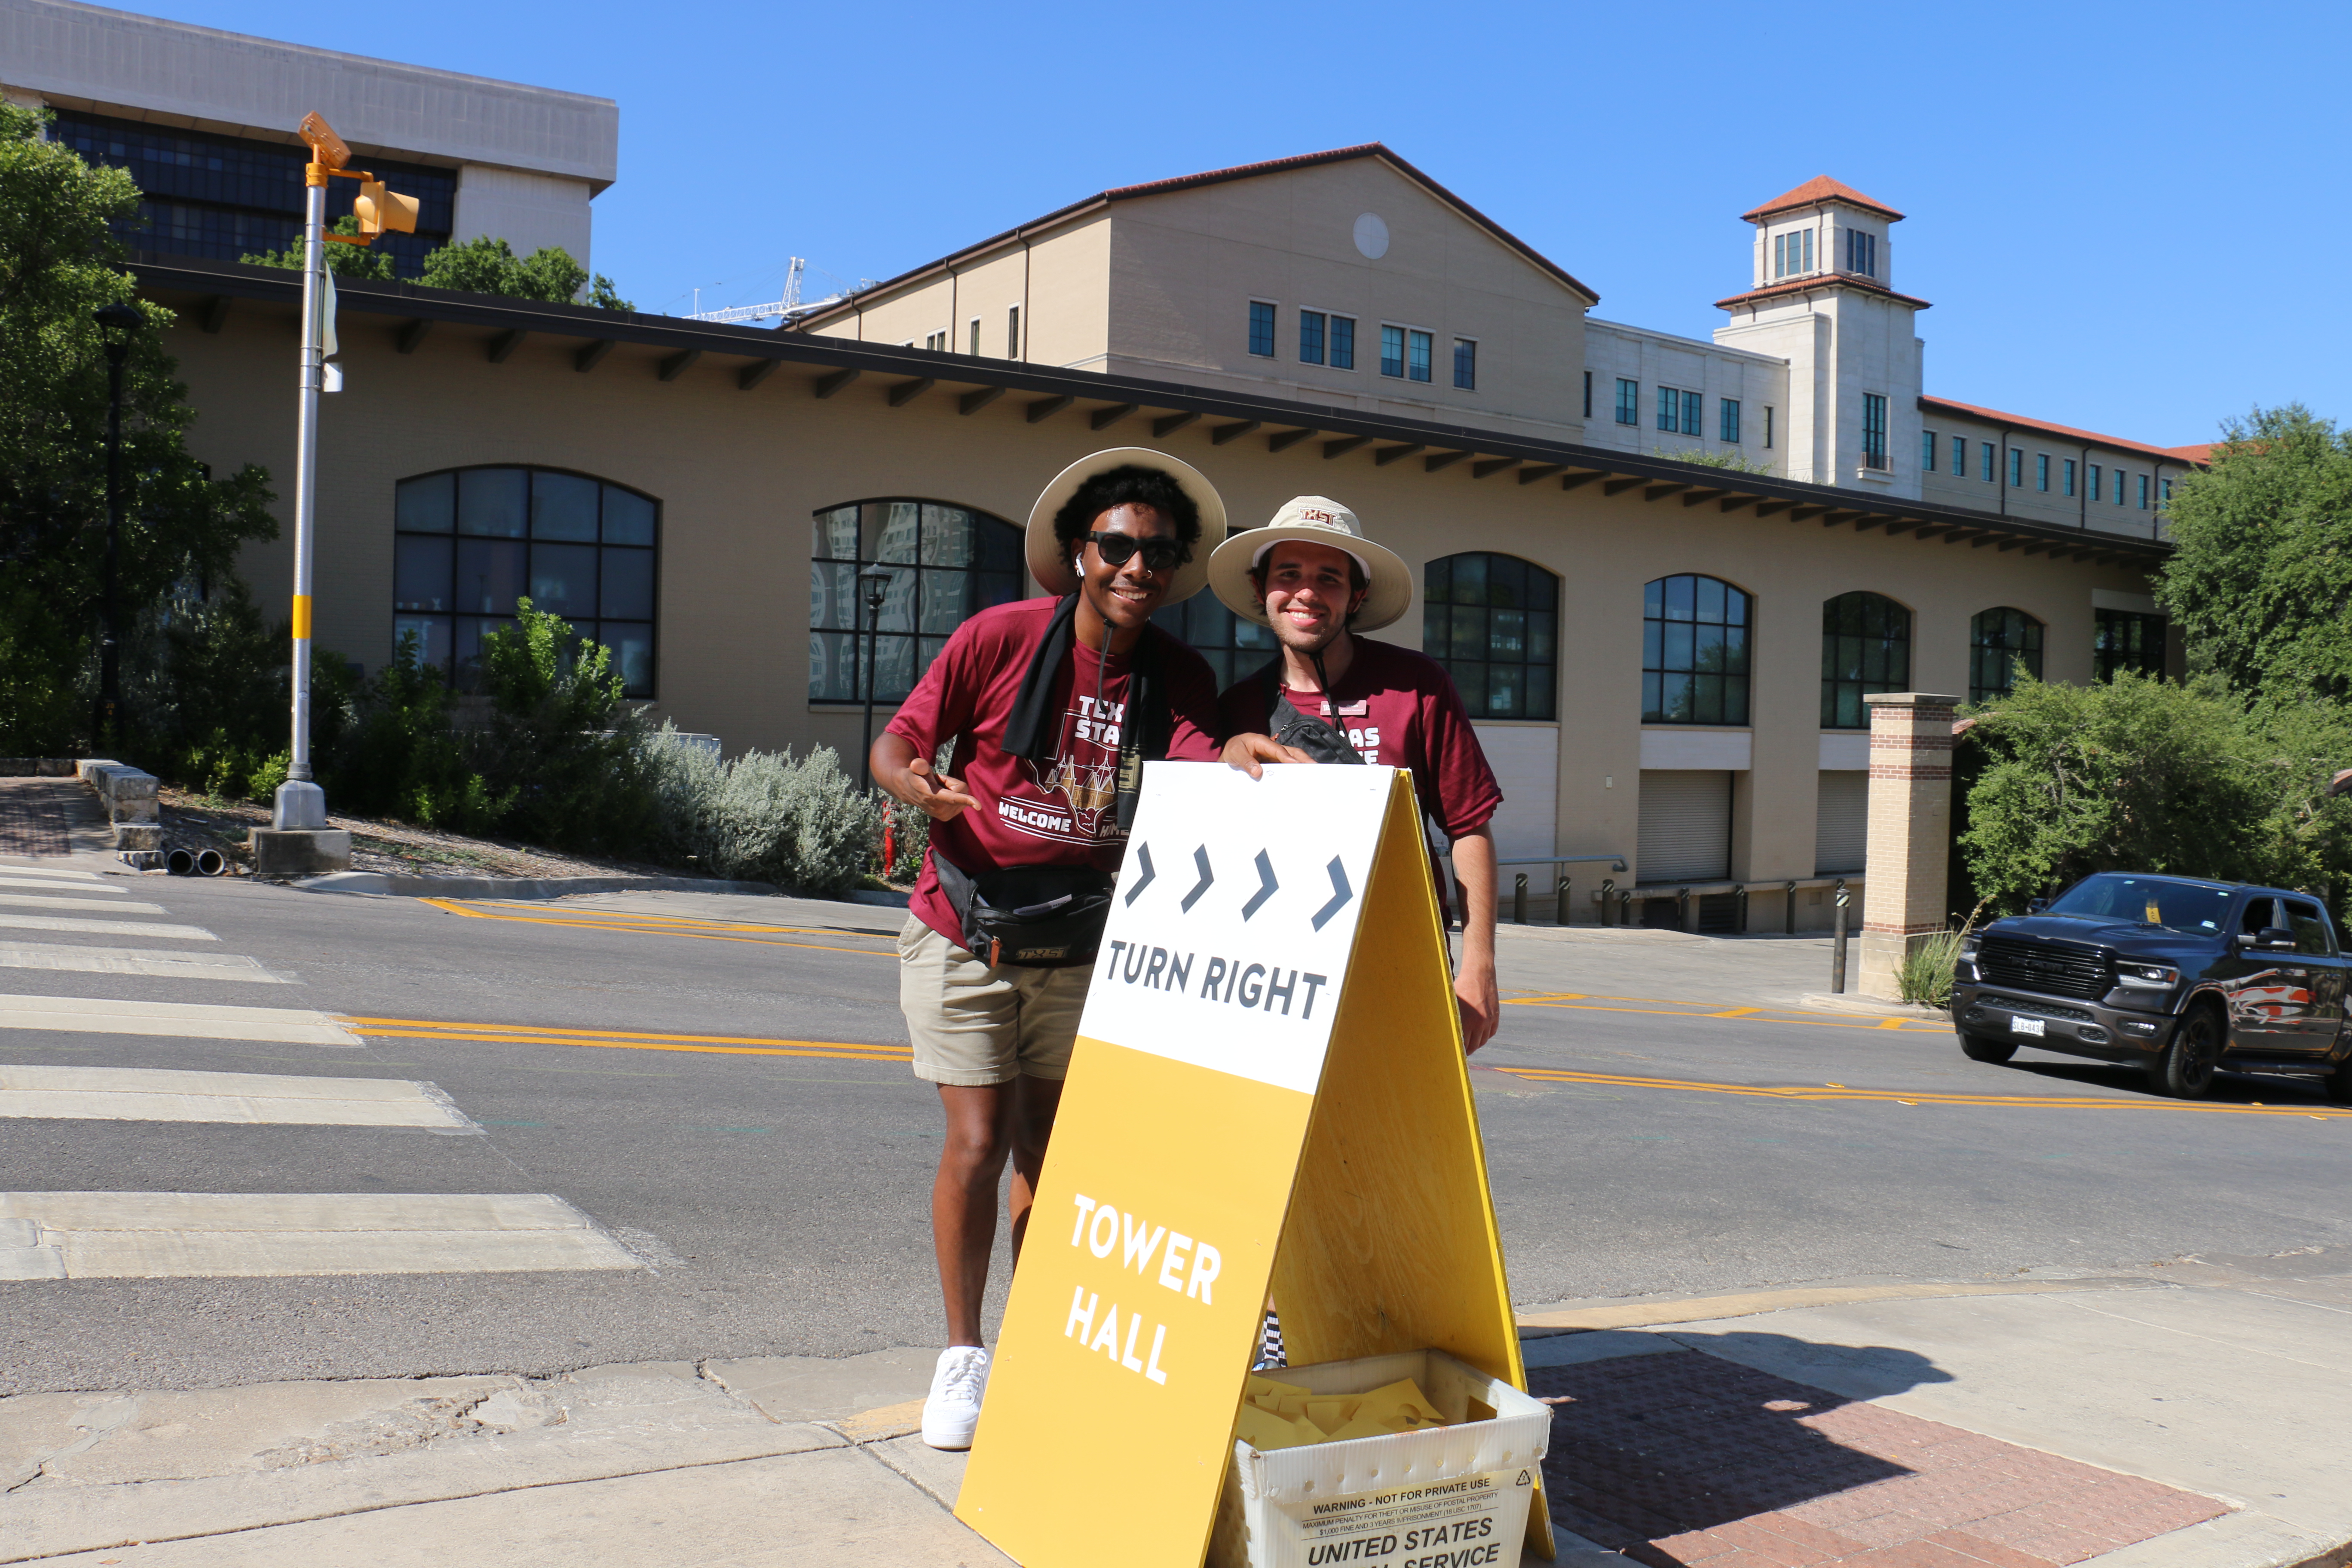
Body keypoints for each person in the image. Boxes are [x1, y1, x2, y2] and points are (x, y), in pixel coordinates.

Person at [870, 448, 1227, 1450]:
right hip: (967, 932)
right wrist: (917, 789)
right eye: (1116, 546)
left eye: (1157, 553)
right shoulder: (1000, 639)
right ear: (1080, 554)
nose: (1136, 567)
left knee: (1052, 1152)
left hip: (1081, 946)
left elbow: (1205, 761)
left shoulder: (1178, 674)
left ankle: (1040, 1348)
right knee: (979, 1143)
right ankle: (961, 1356)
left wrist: (1240, 751)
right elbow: (896, 746)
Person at [1212, 496, 1504, 1054]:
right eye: (1289, 574)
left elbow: (1468, 826)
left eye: (1329, 578)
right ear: (1260, 588)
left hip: (1402, 955)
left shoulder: (1416, 686)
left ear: (1357, 595)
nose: (1307, 592)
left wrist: (1480, 967)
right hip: (1276, 971)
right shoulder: (1237, 711)